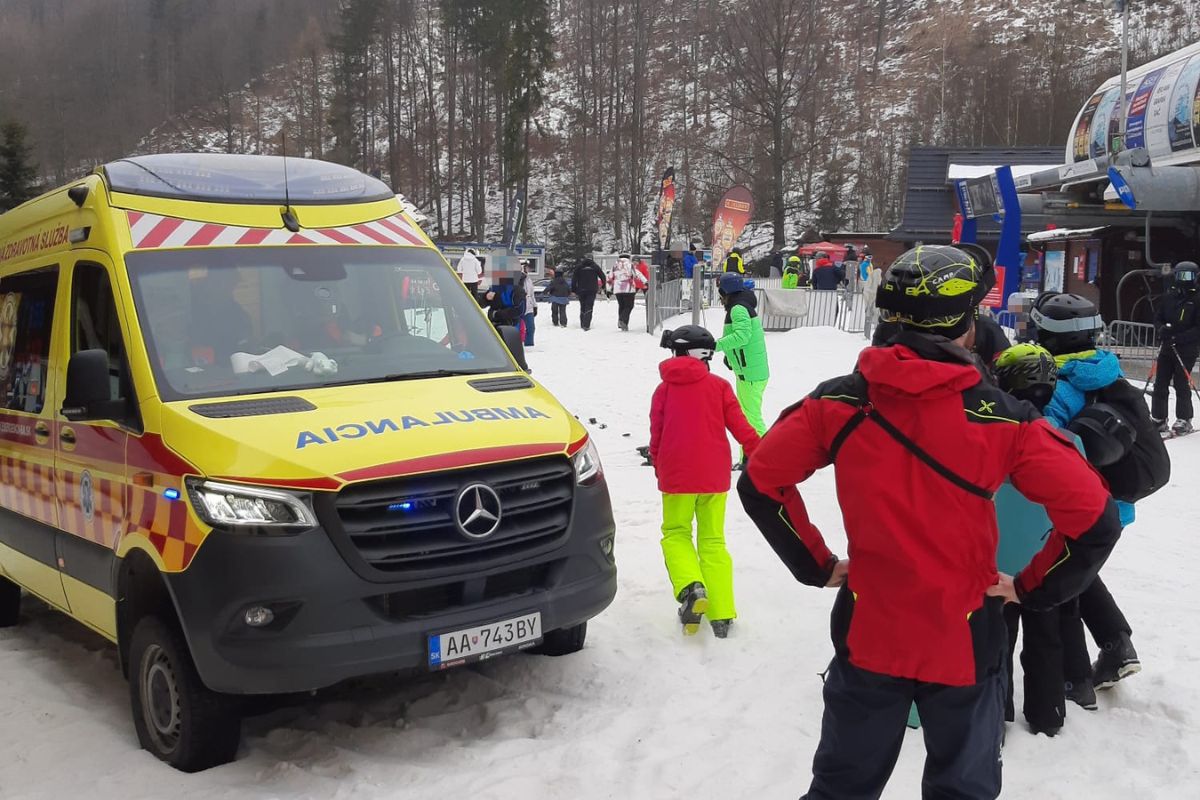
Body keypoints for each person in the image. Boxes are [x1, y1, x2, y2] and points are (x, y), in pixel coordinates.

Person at [738, 245, 1122, 800]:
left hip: (870, 628)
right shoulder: (1005, 421)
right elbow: (1094, 517)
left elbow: (762, 480)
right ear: (968, 327)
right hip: (964, 634)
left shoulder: (841, 404)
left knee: (840, 790)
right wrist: (1034, 587)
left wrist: (813, 564)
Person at [1031, 291, 1169, 709]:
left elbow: (1046, 450)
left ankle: (1076, 681)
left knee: (1061, 584)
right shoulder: (1107, 372)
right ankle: (1116, 645)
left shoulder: (1053, 385)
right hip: (1117, 501)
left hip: (1077, 503)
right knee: (1077, 572)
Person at [650, 325, 760, 638]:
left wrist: (659, 464)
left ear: (678, 352)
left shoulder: (664, 390)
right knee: (713, 541)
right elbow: (743, 428)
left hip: (676, 476)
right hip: (714, 476)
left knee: (676, 533)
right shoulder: (720, 387)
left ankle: (691, 587)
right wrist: (760, 454)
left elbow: (656, 432)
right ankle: (722, 614)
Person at [993, 343, 1070, 737]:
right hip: (1048, 556)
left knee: (998, 638)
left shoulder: (992, 438)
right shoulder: (1065, 440)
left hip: (998, 560)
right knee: (1046, 637)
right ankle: (1048, 712)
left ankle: (998, 711)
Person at [714, 273, 769, 465]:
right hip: (750, 370)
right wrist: (731, 357)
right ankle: (751, 456)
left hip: (750, 373)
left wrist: (715, 345)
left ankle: (764, 457)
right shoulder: (741, 304)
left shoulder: (738, 308)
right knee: (748, 415)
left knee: (750, 418)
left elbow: (742, 336)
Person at [1151, 260, 1200, 435]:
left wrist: (1179, 337)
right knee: (1160, 382)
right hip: (1167, 347)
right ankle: (1158, 417)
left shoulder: (1196, 299)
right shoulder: (1169, 296)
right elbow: (1158, 317)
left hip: (1185, 349)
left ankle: (1184, 418)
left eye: (1188, 276)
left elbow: (1197, 328)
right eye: (1180, 275)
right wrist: (1162, 329)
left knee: (1181, 382)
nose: (1184, 280)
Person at [571, 256, 606, 331]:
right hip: (592, 290)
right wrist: (603, 286)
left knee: (582, 306)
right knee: (589, 306)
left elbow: (574, 279)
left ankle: (582, 323)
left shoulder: (579, 267)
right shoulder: (595, 267)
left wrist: (574, 289)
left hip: (581, 290)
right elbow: (603, 276)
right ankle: (586, 325)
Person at [609, 253, 639, 331]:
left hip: (618, 289)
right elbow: (636, 275)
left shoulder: (614, 266)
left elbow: (610, 277)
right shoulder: (630, 264)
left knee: (622, 306)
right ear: (629, 258)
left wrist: (609, 289)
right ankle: (622, 320)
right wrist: (645, 281)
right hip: (628, 289)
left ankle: (623, 324)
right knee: (629, 306)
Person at [860, 258, 883, 341]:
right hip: (878, 297)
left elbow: (867, 289)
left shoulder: (873, 273)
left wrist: (868, 299)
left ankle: (868, 333)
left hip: (873, 297)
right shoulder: (880, 273)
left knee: (870, 314)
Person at [519, 260, 538, 347]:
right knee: (518, 327)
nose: (528, 269)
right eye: (526, 267)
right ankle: (516, 345)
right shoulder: (517, 278)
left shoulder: (528, 279)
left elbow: (531, 294)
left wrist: (535, 306)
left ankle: (529, 345)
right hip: (519, 305)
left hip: (529, 306)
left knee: (531, 327)